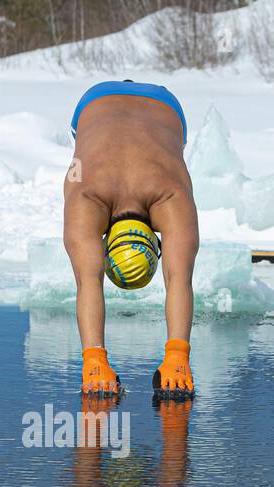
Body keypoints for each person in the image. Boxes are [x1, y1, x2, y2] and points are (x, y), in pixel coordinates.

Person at [64, 80, 199, 400]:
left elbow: (88, 280)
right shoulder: (82, 191)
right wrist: (176, 355)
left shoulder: (171, 194)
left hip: (166, 107)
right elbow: (178, 279)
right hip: (92, 104)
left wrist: (95, 360)